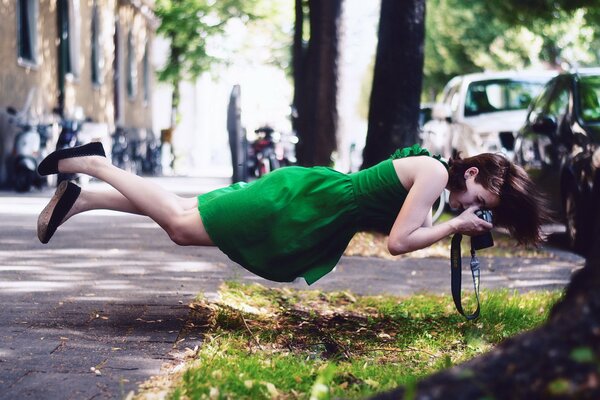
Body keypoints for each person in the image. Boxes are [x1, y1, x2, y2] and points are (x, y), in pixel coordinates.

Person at [36, 142, 550, 285]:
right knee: (178, 224)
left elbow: (405, 227)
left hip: (310, 206)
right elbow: (398, 243)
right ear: (475, 175)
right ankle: (95, 164)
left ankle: (81, 199)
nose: (473, 211)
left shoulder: (438, 181)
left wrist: (451, 222)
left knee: (189, 214)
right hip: (304, 204)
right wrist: (453, 227)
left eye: (481, 213)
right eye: (480, 202)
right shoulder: (438, 176)